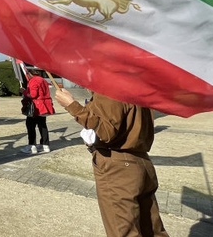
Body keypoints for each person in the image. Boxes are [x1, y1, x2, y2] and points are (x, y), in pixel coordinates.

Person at [55, 88, 169, 237]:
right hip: (140, 161)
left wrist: (71, 105)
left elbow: (106, 131)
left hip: (118, 165)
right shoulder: (135, 89)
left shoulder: (110, 89)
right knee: (152, 229)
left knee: (124, 231)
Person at [20, 71, 55, 154]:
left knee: (30, 125)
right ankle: (45, 144)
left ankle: (32, 145)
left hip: (36, 106)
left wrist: (24, 92)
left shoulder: (33, 80)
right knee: (42, 125)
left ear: (29, 73)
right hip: (44, 105)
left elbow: (33, 95)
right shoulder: (42, 80)